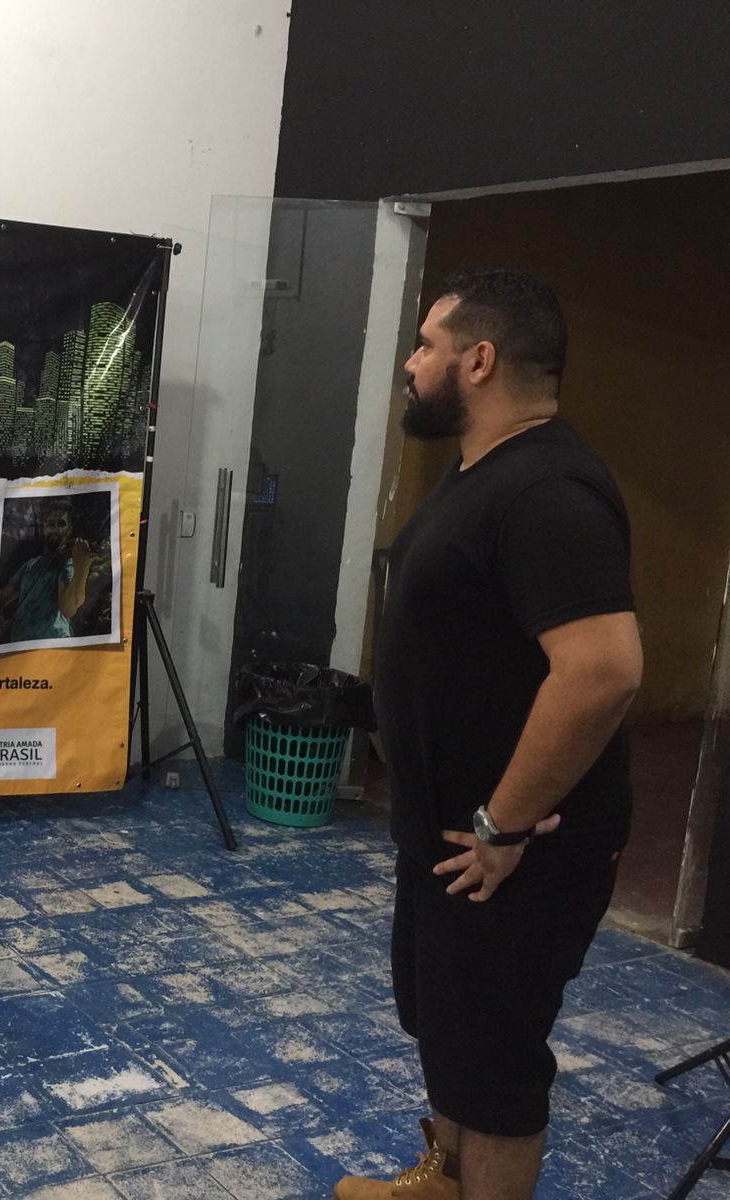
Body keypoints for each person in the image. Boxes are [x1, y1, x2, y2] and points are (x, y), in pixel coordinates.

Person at [336, 269, 642, 1200]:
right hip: (454, 839)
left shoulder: (548, 491)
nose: (410, 362)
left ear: (478, 360)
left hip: (512, 852)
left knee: (497, 1066)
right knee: (452, 1037)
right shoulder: (488, 470)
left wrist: (504, 823)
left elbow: (603, 669)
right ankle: (444, 1182)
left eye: (426, 345)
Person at [0, 498, 93, 644]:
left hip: (53, 644)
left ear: (69, 529)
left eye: (61, 524)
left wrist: (82, 568)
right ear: (44, 527)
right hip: (20, 644)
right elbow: (3, 596)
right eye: (51, 524)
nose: (56, 529)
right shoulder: (30, 565)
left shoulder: (68, 564)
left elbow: (68, 609)